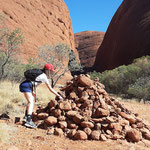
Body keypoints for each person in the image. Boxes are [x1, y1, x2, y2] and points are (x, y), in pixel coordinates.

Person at [19, 63, 63, 128]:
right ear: (47, 70)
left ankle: (26, 118)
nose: (51, 73)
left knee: (31, 101)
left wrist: (33, 91)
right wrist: (58, 95)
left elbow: (33, 82)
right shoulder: (44, 77)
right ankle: (28, 121)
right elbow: (50, 89)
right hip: (26, 86)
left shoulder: (40, 73)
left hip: (26, 85)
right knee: (31, 102)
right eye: (50, 71)